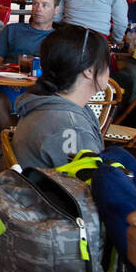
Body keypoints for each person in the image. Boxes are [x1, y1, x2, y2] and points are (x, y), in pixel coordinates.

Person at [12, 24, 109, 168]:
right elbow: (89, 186)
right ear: (88, 70)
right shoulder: (72, 128)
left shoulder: (42, 103)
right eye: (106, 62)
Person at [0, 0, 59, 130]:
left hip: (41, 91)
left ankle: (19, 145)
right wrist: (8, 78)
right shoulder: (13, 30)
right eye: (36, 4)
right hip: (8, 88)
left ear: (56, 10)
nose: (39, 9)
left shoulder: (59, 39)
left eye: (45, 5)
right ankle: (12, 144)